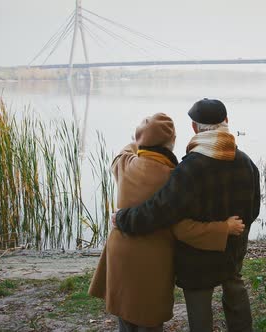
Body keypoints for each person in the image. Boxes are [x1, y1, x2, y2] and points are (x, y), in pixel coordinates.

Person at [88, 112, 245, 332]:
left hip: (119, 254)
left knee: (125, 315)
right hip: (153, 258)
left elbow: (128, 148)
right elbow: (182, 229)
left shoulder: (124, 163)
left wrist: (142, 137)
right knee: (148, 320)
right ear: (171, 143)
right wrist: (224, 228)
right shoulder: (173, 177)